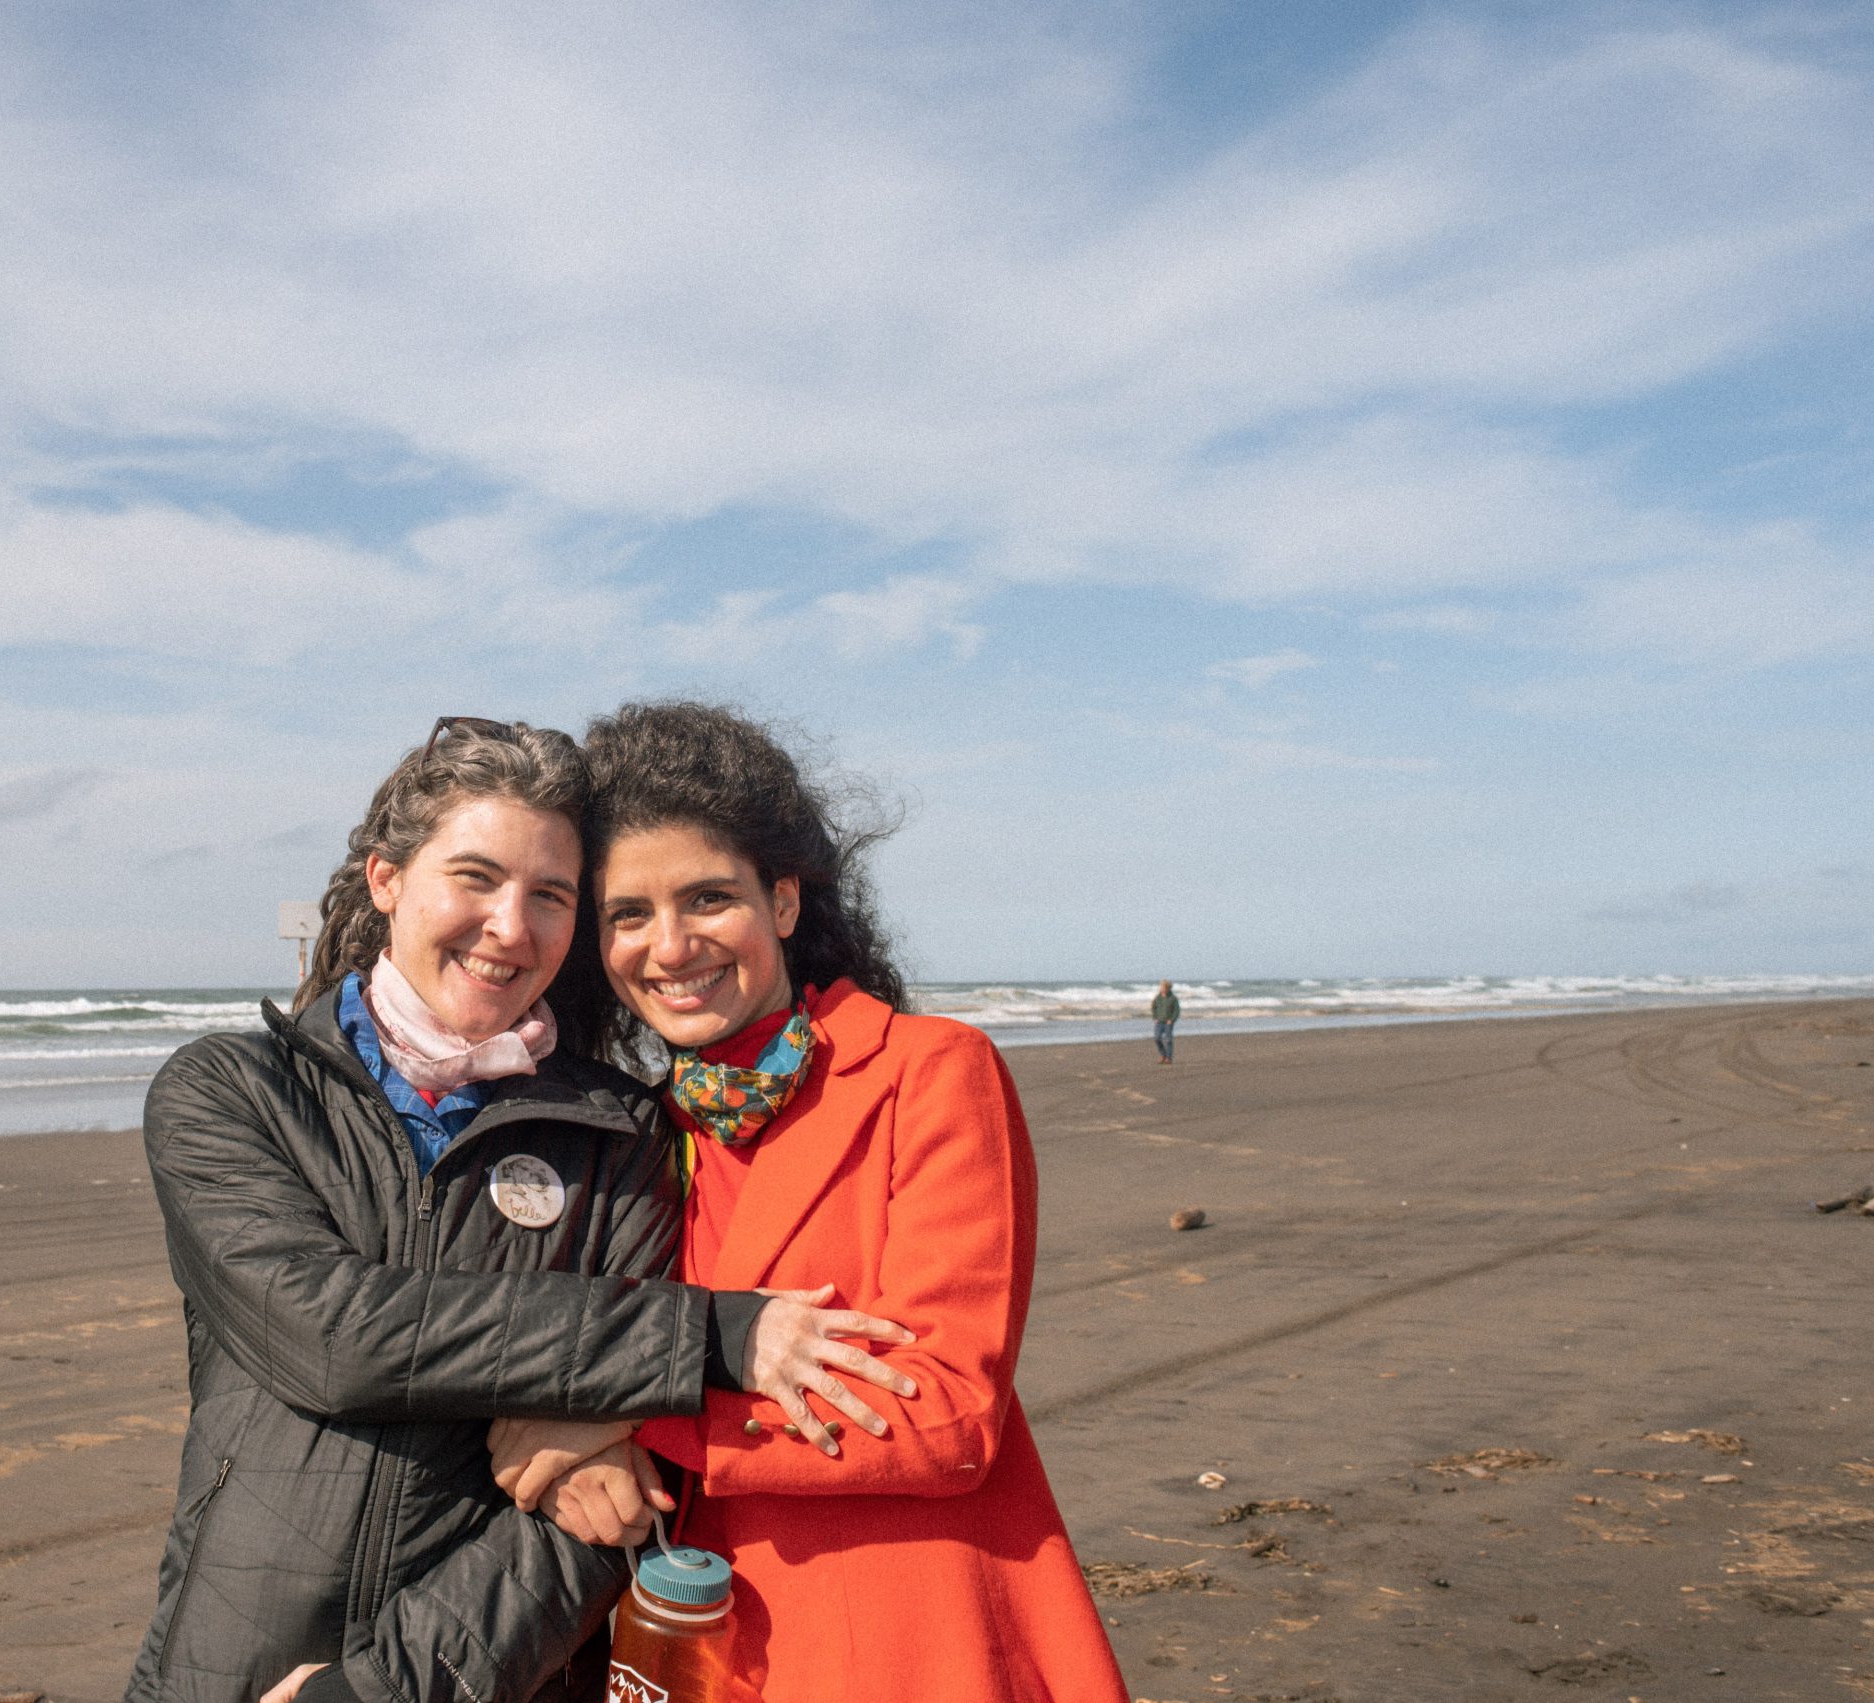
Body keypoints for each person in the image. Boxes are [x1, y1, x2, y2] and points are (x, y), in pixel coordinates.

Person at [125, 717, 910, 1703]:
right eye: (475, 877)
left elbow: (608, 1504)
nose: (510, 926)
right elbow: (332, 1337)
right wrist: (706, 1334)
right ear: (386, 879)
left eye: (550, 895)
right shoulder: (234, 1091)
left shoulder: (619, 1130)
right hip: (228, 1665)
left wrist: (380, 1690)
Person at [491, 702, 1129, 1703]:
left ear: (783, 900)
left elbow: (949, 1410)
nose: (670, 946)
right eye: (628, 913)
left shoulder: (928, 1071)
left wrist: (636, 1418)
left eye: (708, 898)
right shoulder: (636, 1130)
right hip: (706, 1641)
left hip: (918, 1631)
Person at [1151, 979, 1180, 1064]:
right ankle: (1163, 1055)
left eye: (1163, 987)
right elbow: (1153, 1007)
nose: (1161, 989)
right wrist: (1155, 1017)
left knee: (1168, 1040)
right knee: (1157, 1038)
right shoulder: (1158, 998)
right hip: (1159, 1022)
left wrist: (1172, 1019)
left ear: (1167, 988)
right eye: (1161, 987)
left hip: (1168, 1022)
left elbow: (1177, 1010)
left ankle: (1168, 1058)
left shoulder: (1173, 998)